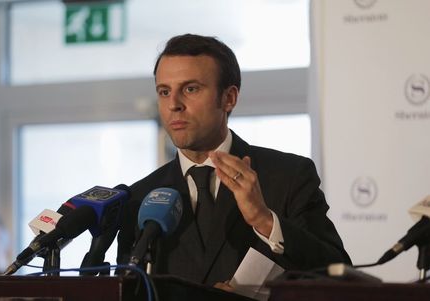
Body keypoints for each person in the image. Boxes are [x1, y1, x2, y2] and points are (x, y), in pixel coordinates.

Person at [117, 34, 351, 286]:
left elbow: (337, 273)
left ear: (229, 98)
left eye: (190, 89)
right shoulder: (140, 197)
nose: (174, 104)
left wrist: (265, 220)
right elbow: (128, 288)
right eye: (164, 91)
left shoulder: (289, 176)